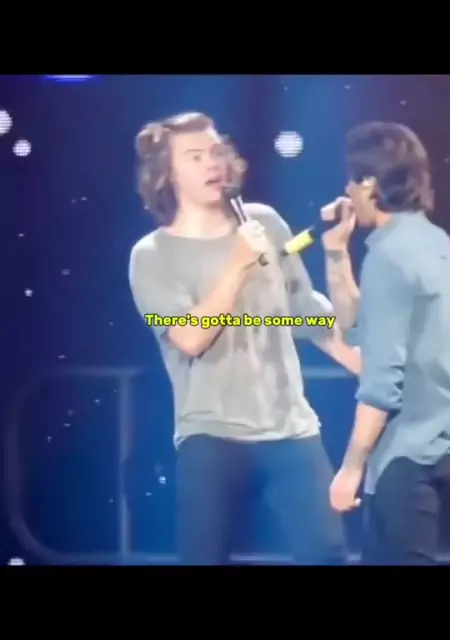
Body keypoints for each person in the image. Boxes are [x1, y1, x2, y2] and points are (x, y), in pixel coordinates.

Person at [128, 111, 360, 565]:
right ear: (167, 174)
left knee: (327, 553)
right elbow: (189, 338)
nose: (212, 163)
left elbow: (302, 310)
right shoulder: (151, 255)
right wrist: (236, 265)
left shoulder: (265, 223)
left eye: (216, 152)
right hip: (210, 435)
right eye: (195, 156)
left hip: (291, 428)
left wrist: (357, 360)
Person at [323, 121, 450, 565]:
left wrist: (350, 469)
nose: (347, 191)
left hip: (402, 461)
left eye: (352, 180)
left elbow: (381, 382)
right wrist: (336, 253)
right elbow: (360, 327)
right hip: (436, 448)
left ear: (370, 183)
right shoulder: (433, 241)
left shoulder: (390, 257)